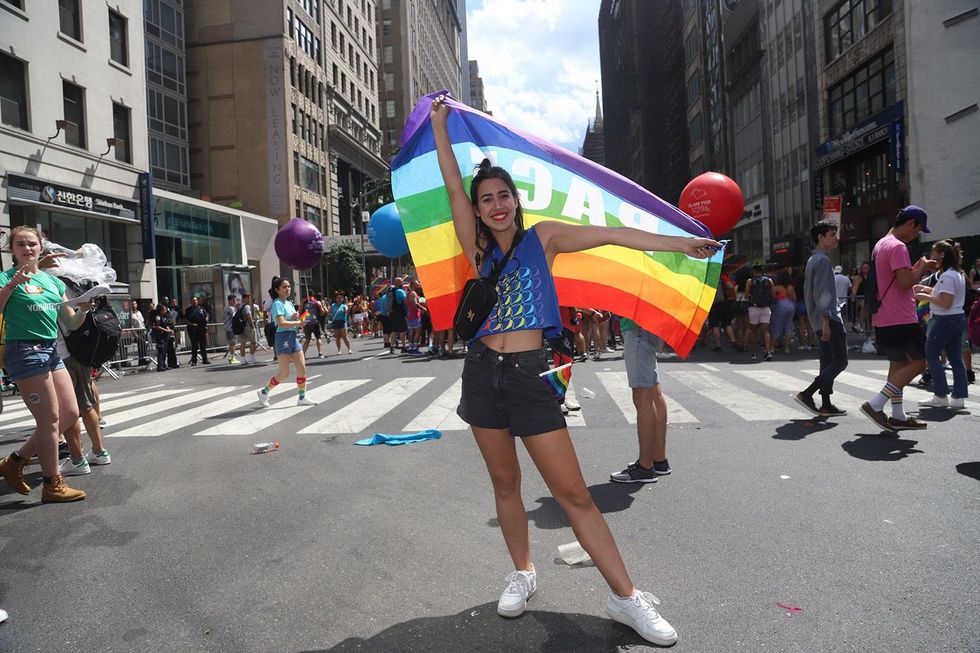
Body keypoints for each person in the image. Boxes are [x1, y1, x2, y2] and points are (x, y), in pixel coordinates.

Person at [431, 96, 720, 646]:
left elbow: (613, 233)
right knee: (505, 483)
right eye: (485, 199)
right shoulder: (475, 249)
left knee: (574, 496)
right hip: (481, 372)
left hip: (530, 375)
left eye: (502, 197)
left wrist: (677, 242)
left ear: (516, 201)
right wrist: (442, 127)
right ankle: (523, 572)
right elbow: (451, 186)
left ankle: (626, 598)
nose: (494, 205)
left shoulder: (545, 239)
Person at [0, 225, 90, 502]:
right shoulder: (4, 277)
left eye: (32, 244)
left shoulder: (54, 283)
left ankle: (15, 460)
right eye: (20, 245)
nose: (27, 249)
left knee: (70, 413)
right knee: (49, 419)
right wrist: (12, 285)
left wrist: (85, 307)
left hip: (51, 350)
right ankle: (53, 484)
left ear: (41, 247)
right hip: (24, 351)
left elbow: (71, 321)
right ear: (12, 250)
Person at [860, 206, 938, 432]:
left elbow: (897, 279)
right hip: (900, 316)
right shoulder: (898, 246)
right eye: (918, 230)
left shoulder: (881, 244)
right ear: (911, 223)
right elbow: (905, 284)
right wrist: (922, 267)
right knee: (919, 362)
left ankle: (898, 415)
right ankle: (876, 404)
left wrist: (915, 269)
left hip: (884, 315)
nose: (917, 235)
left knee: (898, 364)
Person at [794, 221, 848, 416]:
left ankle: (826, 403)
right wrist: (826, 321)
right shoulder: (823, 261)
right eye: (832, 234)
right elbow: (822, 293)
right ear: (820, 237)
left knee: (827, 362)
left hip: (818, 319)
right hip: (828, 319)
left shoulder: (813, 259)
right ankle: (808, 393)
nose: (837, 238)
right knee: (840, 361)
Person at [610, 319, 672, 483]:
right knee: (654, 392)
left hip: (637, 327)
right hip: (648, 326)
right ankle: (659, 460)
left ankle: (645, 466)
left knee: (642, 396)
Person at [916, 240, 968, 409]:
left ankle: (940, 394)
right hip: (956, 318)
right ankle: (958, 397)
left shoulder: (946, 276)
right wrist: (927, 290)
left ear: (942, 255)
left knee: (931, 354)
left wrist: (925, 297)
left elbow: (945, 302)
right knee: (955, 358)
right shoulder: (957, 274)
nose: (932, 257)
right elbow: (945, 296)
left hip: (946, 319)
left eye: (934, 254)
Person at [256, 276, 317, 407]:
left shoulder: (289, 303)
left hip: (293, 336)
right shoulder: (277, 303)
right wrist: (298, 322)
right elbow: (281, 323)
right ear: (277, 290)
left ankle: (302, 397)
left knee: (302, 368)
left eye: (289, 286)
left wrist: (299, 317)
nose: (288, 289)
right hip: (282, 338)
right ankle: (264, 392)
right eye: (284, 287)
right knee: (284, 373)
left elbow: (293, 318)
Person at [743, 264, 774, 361]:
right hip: (766, 308)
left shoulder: (749, 281)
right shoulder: (769, 280)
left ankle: (754, 353)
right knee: (766, 331)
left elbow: (746, 295)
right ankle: (768, 352)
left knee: (754, 331)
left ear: (753, 271)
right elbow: (773, 294)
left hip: (754, 308)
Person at [769, 268, 797, 354]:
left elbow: (773, 297)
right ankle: (787, 348)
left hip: (780, 305)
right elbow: (794, 298)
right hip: (790, 305)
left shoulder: (776, 287)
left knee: (777, 325)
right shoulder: (791, 287)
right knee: (788, 325)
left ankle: (772, 347)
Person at [184, 297, 211, 366]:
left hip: (202, 328)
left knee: (203, 345)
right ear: (191, 302)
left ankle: (205, 359)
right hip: (193, 329)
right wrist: (191, 324)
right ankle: (194, 361)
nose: (195, 302)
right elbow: (186, 320)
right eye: (193, 301)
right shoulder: (188, 310)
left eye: (196, 300)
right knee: (194, 346)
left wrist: (206, 319)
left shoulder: (201, 309)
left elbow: (206, 315)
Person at [150, 303, 175, 371]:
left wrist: (170, 330)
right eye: (164, 309)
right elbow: (157, 326)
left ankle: (163, 365)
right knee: (161, 350)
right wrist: (166, 330)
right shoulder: (158, 317)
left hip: (165, 336)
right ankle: (160, 366)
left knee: (164, 351)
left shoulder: (164, 316)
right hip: (160, 336)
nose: (165, 310)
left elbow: (165, 325)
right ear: (161, 310)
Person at [301, 293, 325, 358]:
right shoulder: (316, 302)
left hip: (307, 323)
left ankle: (303, 354)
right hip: (315, 322)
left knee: (307, 339)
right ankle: (320, 353)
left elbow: (300, 312)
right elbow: (322, 312)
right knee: (318, 338)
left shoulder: (304, 303)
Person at [238, 292, 259, 365]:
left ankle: (242, 359)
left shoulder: (240, 306)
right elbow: (248, 316)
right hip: (247, 326)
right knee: (253, 341)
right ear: (244, 298)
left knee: (242, 343)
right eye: (248, 298)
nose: (249, 299)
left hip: (241, 326)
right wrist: (252, 325)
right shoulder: (247, 307)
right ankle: (251, 356)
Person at [223, 294, 239, 364]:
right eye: (234, 299)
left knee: (230, 344)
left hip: (226, 328)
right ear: (230, 300)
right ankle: (232, 358)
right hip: (232, 328)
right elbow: (234, 318)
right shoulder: (232, 309)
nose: (235, 301)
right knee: (233, 344)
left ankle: (231, 357)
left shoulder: (225, 308)